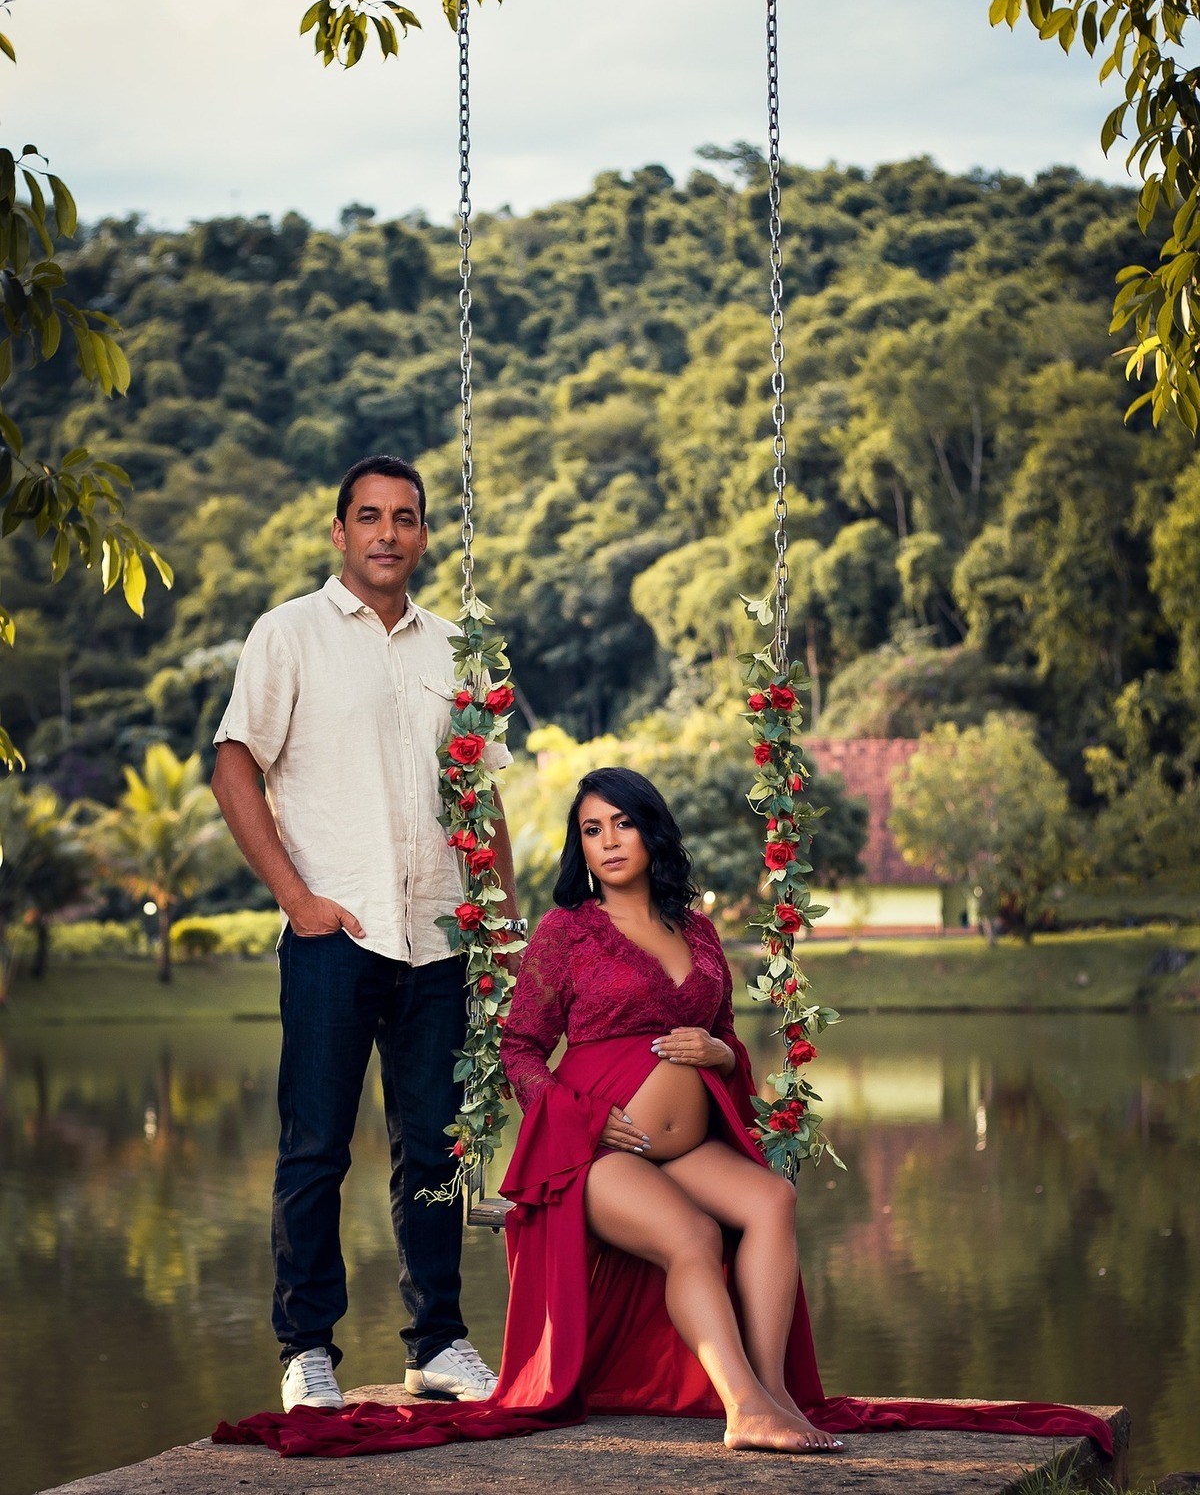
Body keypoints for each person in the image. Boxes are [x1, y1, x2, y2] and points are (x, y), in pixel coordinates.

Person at [215, 768, 1114, 1466]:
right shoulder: (567, 932)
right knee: (692, 1236)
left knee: (771, 1202)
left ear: (652, 832)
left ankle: (772, 1391)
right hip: (594, 1152)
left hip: (687, 1143)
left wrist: (722, 1055)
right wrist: (578, 1118)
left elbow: (724, 1035)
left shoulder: (700, 930)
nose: (608, 841)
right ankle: (744, 1409)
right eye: (591, 830)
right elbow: (520, 1049)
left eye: (622, 824)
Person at [211, 454, 518, 1414]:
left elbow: (484, 793)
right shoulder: (288, 633)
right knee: (316, 1149)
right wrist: (297, 899)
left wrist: (502, 924)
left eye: (406, 517)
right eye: (371, 516)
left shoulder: (459, 648)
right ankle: (307, 1350)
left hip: (442, 937)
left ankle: (439, 1342)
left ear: (423, 534)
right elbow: (233, 766)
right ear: (340, 531)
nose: (389, 532)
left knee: (434, 1149)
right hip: (334, 936)